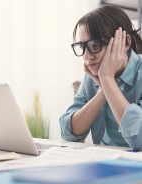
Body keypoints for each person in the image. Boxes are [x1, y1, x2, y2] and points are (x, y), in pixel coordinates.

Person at [59, 4, 142, 151]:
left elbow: (139, 139)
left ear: (126, 42)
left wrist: (108, 79)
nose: (86, 56)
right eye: (81, 46)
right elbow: (69, 133)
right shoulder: (94, 76)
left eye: (95, 44)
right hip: (104, 160)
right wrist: (104, 90)